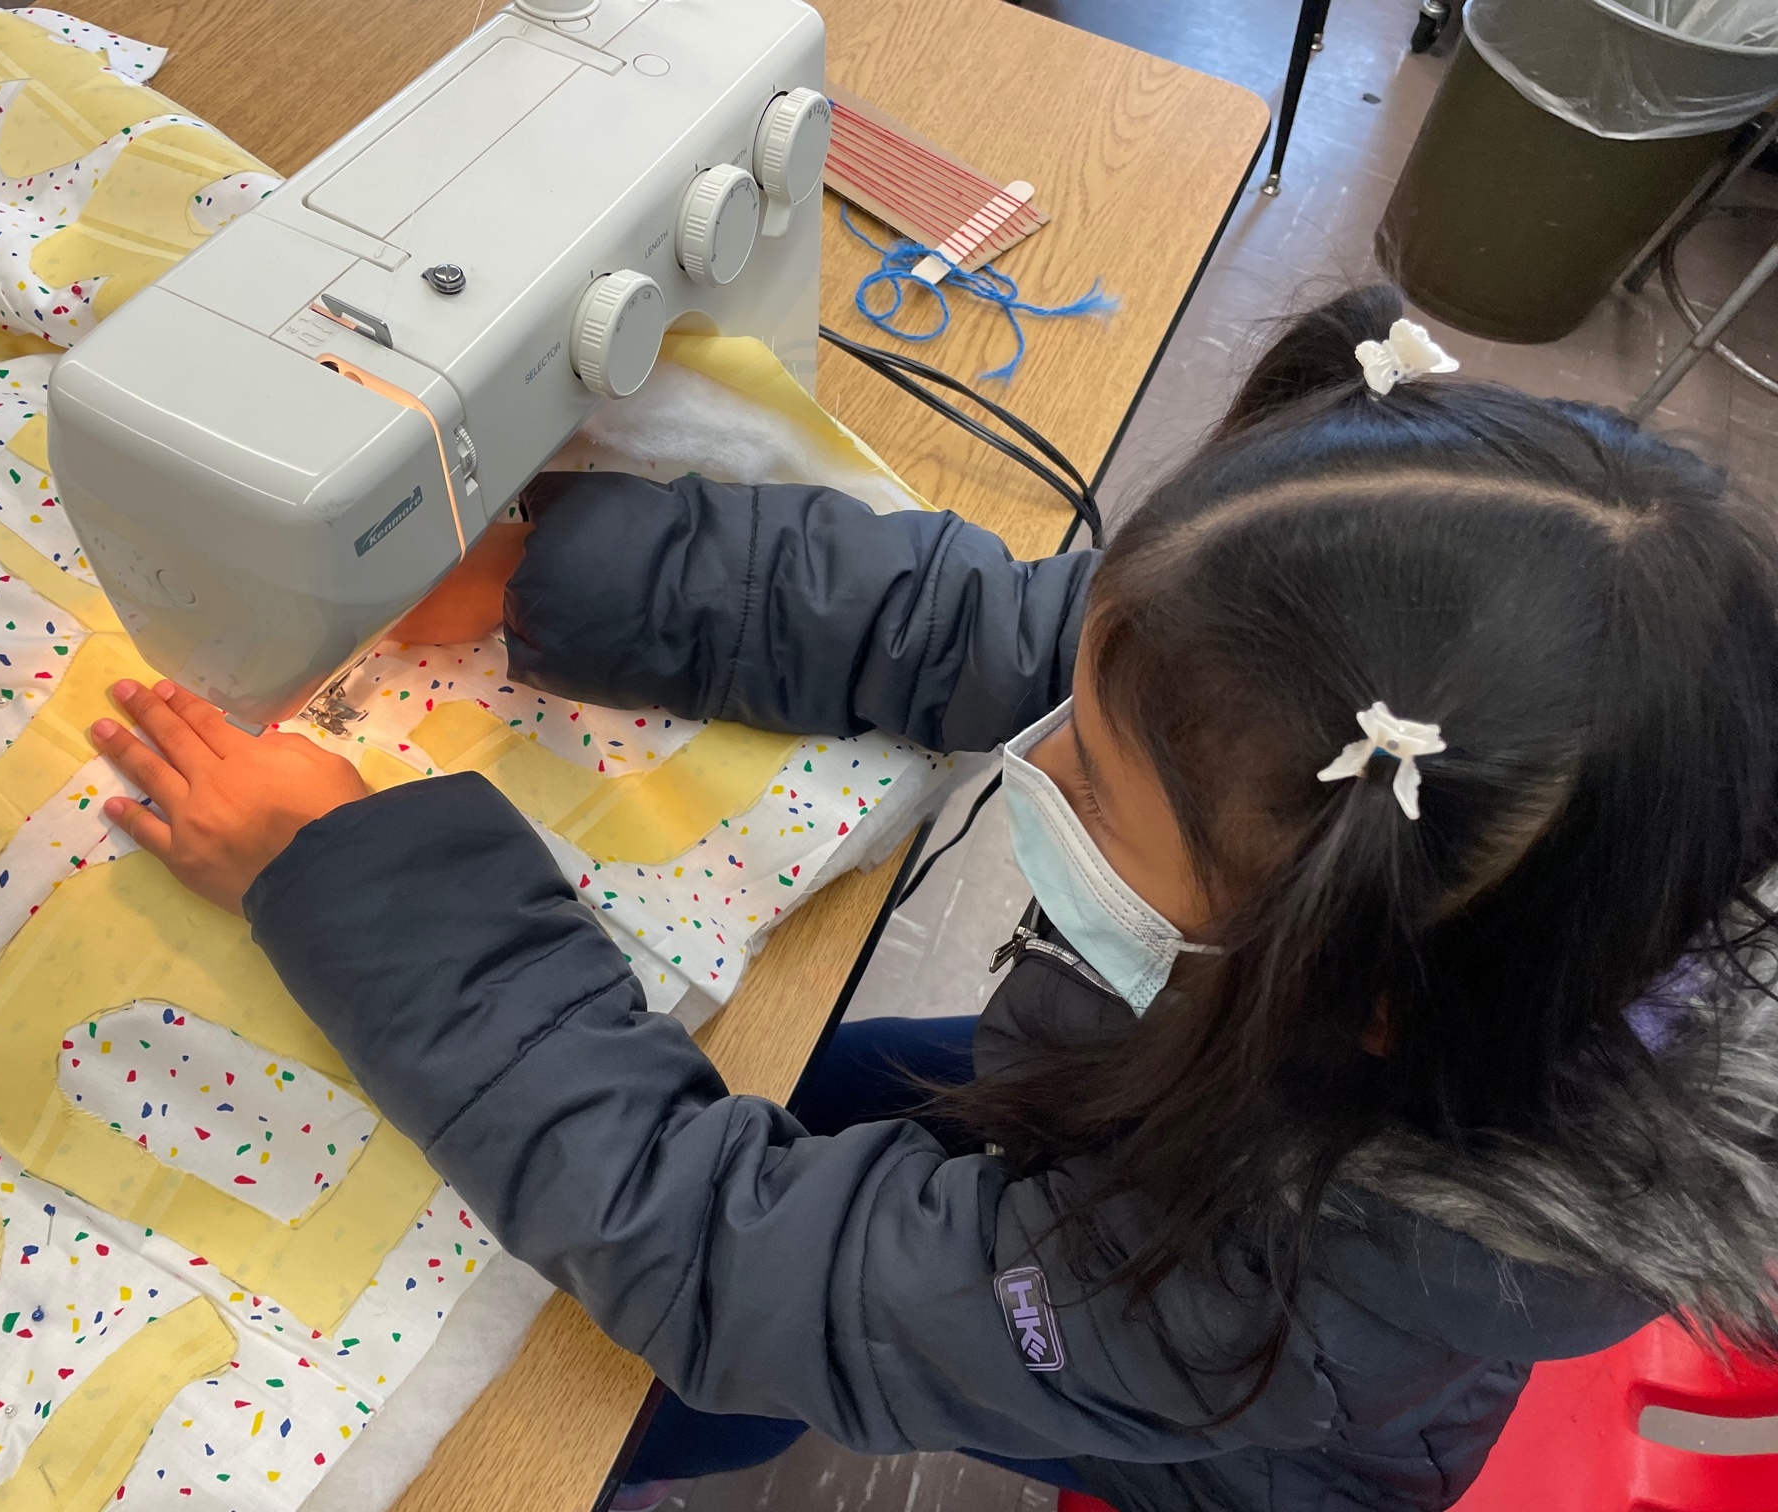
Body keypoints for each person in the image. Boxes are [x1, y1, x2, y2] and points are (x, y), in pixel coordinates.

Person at [87, 287, 1778, 1512]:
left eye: (1096, 789)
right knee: (807, 1107)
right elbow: (995, 629)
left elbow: (756, 1291)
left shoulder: (1251, 1294)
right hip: (1140, 1114)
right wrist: (554, 577)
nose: (1036, 773)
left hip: (1259, 1428)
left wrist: (357, 875)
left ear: (1331, 980)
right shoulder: (1416, 795)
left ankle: (623, 1465)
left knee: (622, 1380)